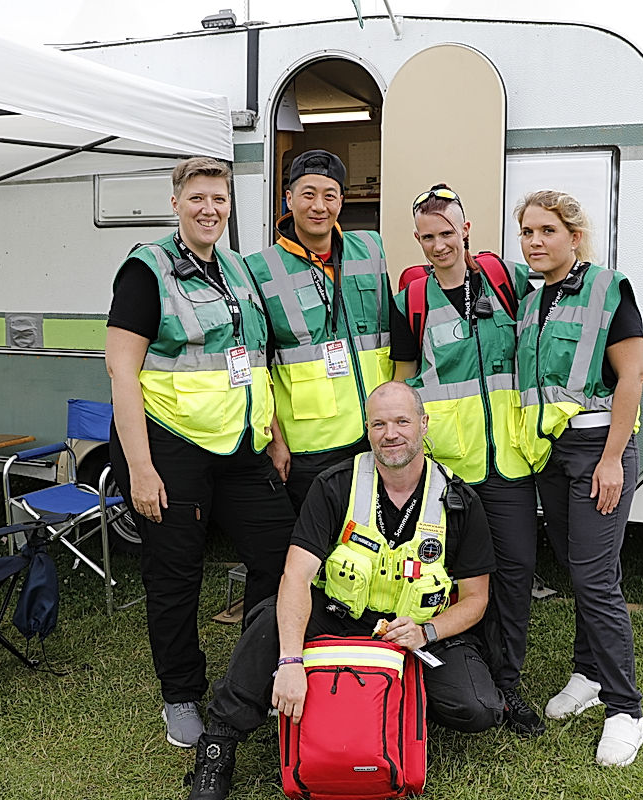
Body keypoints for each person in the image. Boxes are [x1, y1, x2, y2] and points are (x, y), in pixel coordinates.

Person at [186, 382, 504, 800]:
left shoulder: (459, 499)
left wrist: (426, 633)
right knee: (268, 620)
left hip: (414, 633)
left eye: (402, 422)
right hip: (339, 616)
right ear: (367, 429)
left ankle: (389, 702)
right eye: (379, 424)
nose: (391, 434)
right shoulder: (335, 485)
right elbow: (296, 577)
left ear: (424, 425)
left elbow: (477, 598)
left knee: (478, 707)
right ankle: (218, 750)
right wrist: (292, 660)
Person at [105, 157, 294, 750]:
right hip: (171, 445)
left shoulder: (237, 268)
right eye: (198, 198)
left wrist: (277, 434)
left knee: (282, 554)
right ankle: (181, 694)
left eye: (219, 199)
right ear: (176, 202)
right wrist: (139, 467)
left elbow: (258, 358)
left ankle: (257, 669)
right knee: (175, 574)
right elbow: (120, 370)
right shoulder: (146, 269)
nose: (209, 209)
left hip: (242, 445)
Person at [390, 184, 543, 735]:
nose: (438, 245)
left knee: (516, 572)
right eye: (427, 237)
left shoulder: (507, 282)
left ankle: (506, 685)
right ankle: (453, 669)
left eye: (447, 233)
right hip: (448, 469)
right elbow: (404, 381)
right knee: (448, 574)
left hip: (509, 463)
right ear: (417, 240)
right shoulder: (412, 298)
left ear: (467, 229)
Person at [512, 189, 643, 766]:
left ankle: (625, 710)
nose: (536, 242)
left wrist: (613, 457)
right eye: (527, 233)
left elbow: (633, 375)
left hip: (598, 448)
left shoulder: (607, 288)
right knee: (579, 568)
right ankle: (588, 676)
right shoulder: (530, 296)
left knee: (594, 580)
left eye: (547, 231)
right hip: (551, 451)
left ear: (574, 236)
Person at [246, 149, 395, 510]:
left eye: (329, 195)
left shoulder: (371, 248)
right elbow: (257, 368)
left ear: (341, 201)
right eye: (308, 194)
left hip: (375, 431)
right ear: (289, 199)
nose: (319, 206)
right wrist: (274, 439)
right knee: (315, 541)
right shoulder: (259, 269)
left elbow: (397, 333)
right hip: (310, 443)